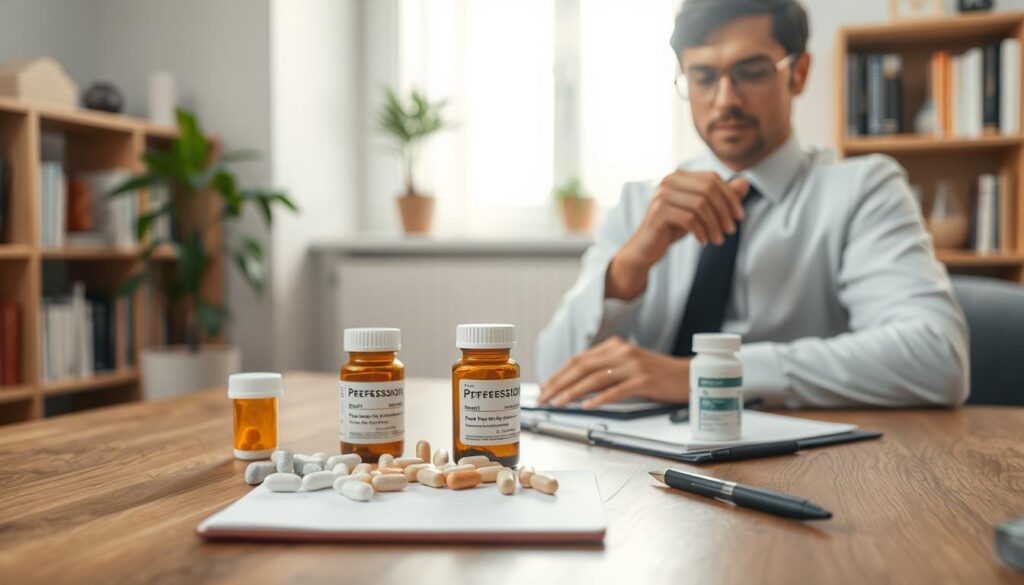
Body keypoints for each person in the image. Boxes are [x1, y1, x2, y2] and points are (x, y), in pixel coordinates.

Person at [536, 0, 969, 410]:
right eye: (703, 77)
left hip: (801, 465)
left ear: (798, 73)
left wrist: (703, 376)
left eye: (751, 71)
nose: (725, 99)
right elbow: (551, 375)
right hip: (639, 463)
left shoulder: (863, 190)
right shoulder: (640, 204)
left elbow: (938, 357)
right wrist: (628, 267)